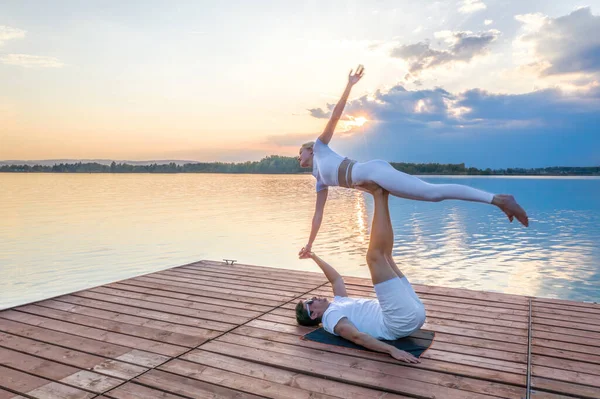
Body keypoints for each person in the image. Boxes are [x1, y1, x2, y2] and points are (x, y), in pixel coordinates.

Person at [298, 65, 528, 258]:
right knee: (431, 195)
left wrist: (349, 84)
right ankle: (498, 200)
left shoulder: (320, 146)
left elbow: (336, 114)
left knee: (433, 193)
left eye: (300, 153)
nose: (299, 157)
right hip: (375, 176)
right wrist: (310, 245)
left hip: (374, 171)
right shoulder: (319, 180)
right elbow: (317, 216)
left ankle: (500, 199)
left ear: (309, 150)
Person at [295, 182, 425, 364]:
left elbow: (336, 279)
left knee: (385, 255)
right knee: (374, 257)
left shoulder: (338, 303)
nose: (314, 297)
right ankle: (377, 195)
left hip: (412, 315)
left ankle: (382, 196)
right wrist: (392, 350)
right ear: (314, 315)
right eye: (310, 302)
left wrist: (313, 256)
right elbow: (357, 337)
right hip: (398, 321)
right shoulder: (332, 319)